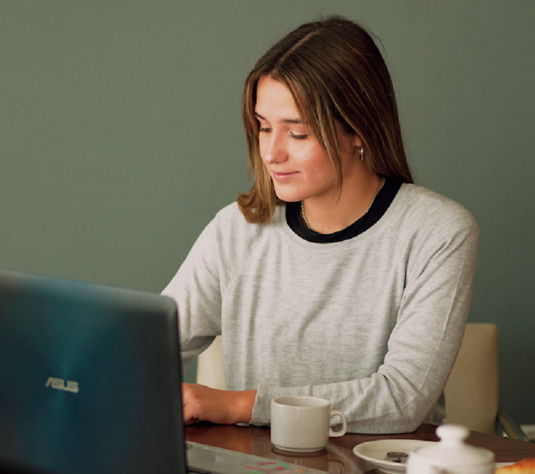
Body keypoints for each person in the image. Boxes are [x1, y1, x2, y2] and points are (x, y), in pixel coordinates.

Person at [163, 16, 479, 434]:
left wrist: (237, 405)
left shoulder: (438, 232)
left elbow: (402, 399)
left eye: (297, 133)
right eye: (263, 127)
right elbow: (150, 351)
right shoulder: (236, 230)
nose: (271, 153)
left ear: (358, 130)